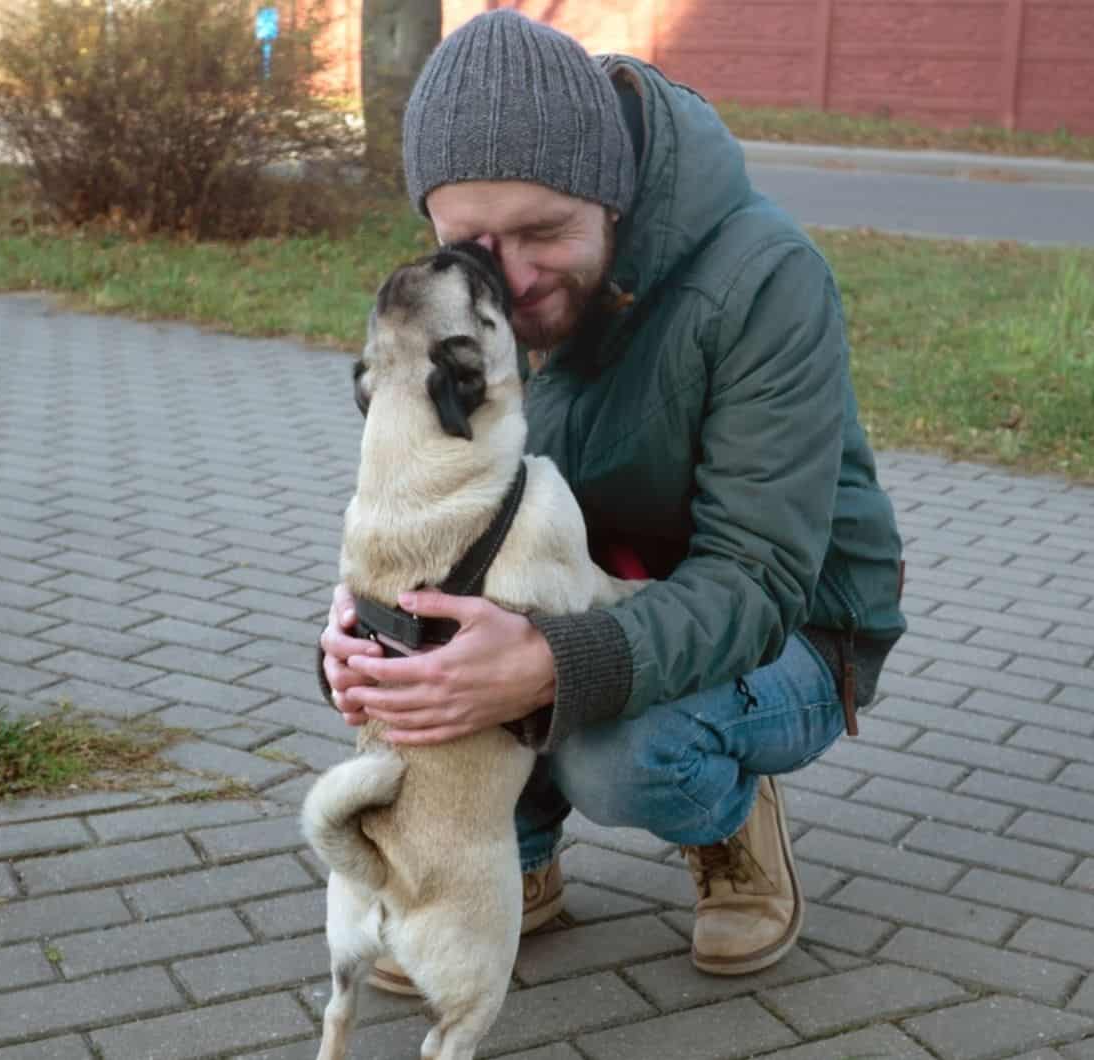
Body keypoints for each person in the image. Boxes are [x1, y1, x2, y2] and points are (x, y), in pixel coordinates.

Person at [318, 8, 906, 987]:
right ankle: (520, 860)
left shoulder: (766, 281)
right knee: (428, 679)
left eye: (546, 231)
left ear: (617, 195)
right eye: (469, 241)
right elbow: (417, 515)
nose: (508, 277)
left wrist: (548, 661)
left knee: (623, 755)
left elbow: (756, 577)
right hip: (581, 591)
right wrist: (360, 629)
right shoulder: (449, 302)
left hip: (795, 623)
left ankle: (731, 822)